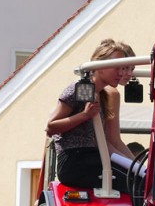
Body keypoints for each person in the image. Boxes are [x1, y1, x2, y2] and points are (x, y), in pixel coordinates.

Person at [46, 39, 137, 189]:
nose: (121, 73)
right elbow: (51, 127)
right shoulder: (83, 89)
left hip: (92, 157)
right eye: (117, 68)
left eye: (123, 68)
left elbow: (105, 141)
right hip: (74, 160)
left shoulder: (101, 95)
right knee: (134, 184)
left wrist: (136, 166)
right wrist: (84, 115)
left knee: (138, 182)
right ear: (99, 66)